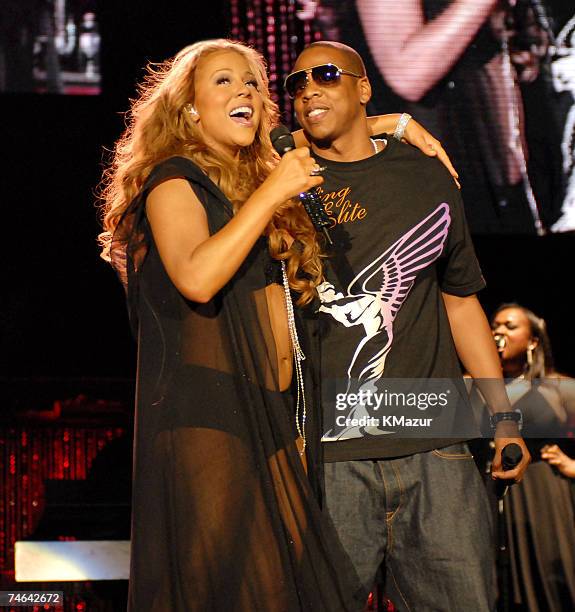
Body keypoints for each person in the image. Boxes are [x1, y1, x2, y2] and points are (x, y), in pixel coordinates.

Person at [97, 38, 456, 611]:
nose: (245, 90)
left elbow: (329, 131)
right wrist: (272, 193)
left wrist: (393, 122)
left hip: (269, 419)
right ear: (188, 107)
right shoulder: (174, 180)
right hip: (207, 423)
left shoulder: (250, 183)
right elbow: (197, 276)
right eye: (223, 81)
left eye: (253, 83)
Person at [286, 39, 531, 610]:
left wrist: (503, 419)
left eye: (325, 75)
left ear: (362, 86)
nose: (308, 90)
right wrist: (393, 121)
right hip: (328, 459)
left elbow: (461, 301)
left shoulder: (425, 176)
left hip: (436, 452)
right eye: (297, 83)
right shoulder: (280, 180)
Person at [487, 303, 575, 611]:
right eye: (495, 325)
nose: (499, 331)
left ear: (533, 340)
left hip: (541, 496)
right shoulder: (480, 386)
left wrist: (572, 466)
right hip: (490, 496)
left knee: (551, 587)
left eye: (510, 326)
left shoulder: (558, 388)